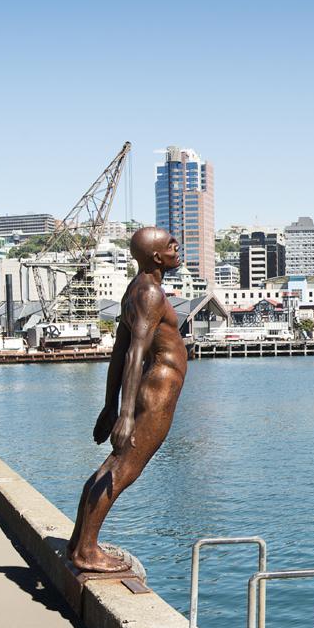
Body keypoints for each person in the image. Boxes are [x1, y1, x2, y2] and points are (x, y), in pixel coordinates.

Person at [67, 227, 189, 574]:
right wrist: (123, 415)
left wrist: (110, 404)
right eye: (170, 245)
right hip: (158, 389)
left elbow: (119, 351)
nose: (176, 248)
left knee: (112, 467)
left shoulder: (135, 291)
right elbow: (134, 353)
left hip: (152, 387)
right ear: (155, 257)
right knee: (124, 469)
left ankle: (79, 543)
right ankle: (87, 551)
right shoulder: (149, 293)